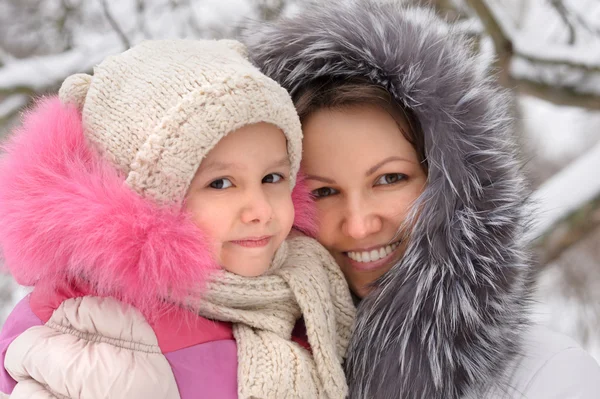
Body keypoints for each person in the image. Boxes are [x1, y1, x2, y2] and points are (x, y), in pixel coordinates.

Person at [243, 1, 600, 398]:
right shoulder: (227, 364)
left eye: (389, 178)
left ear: (454, 183)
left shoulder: (546, 377)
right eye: (323, 192)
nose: (359, 224)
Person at [0, 39, 355, 399]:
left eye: (272, 178)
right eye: (220, 183)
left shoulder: (306, 286)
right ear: (149, 201)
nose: (260, 210)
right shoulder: (94, 330)